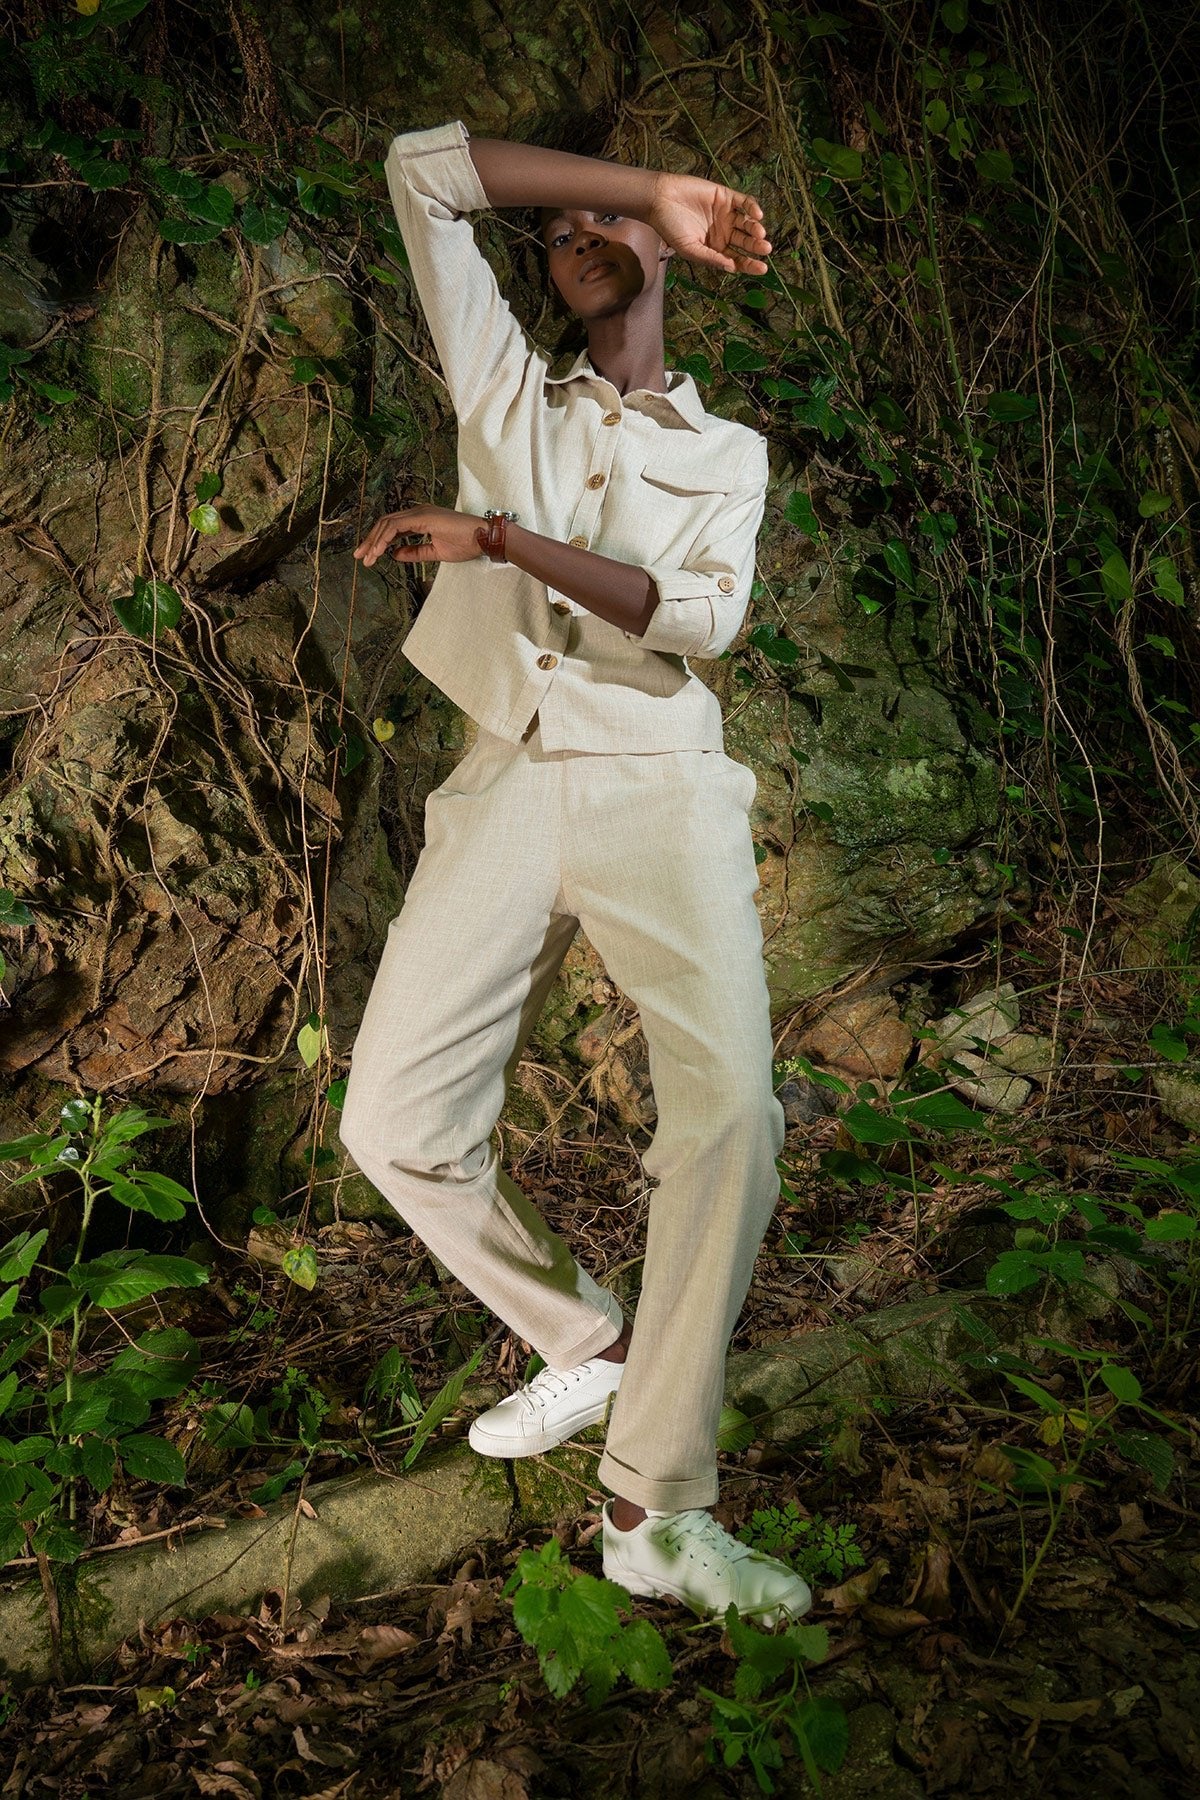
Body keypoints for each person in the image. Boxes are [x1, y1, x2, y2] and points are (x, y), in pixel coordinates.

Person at [338, 117, 812, 1627]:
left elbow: (698, 621)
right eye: (558, 231)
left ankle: (653, 1506)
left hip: (660, 784)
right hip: (504, 780)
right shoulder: (506, 393)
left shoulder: (727, 455)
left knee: (732, 1118)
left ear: (672, 259)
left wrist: (500, 539)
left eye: (612, 227)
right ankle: (589, 1344)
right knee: (393, 1124)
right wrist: (642, 190)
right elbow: (423, 175)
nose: (579, 243)